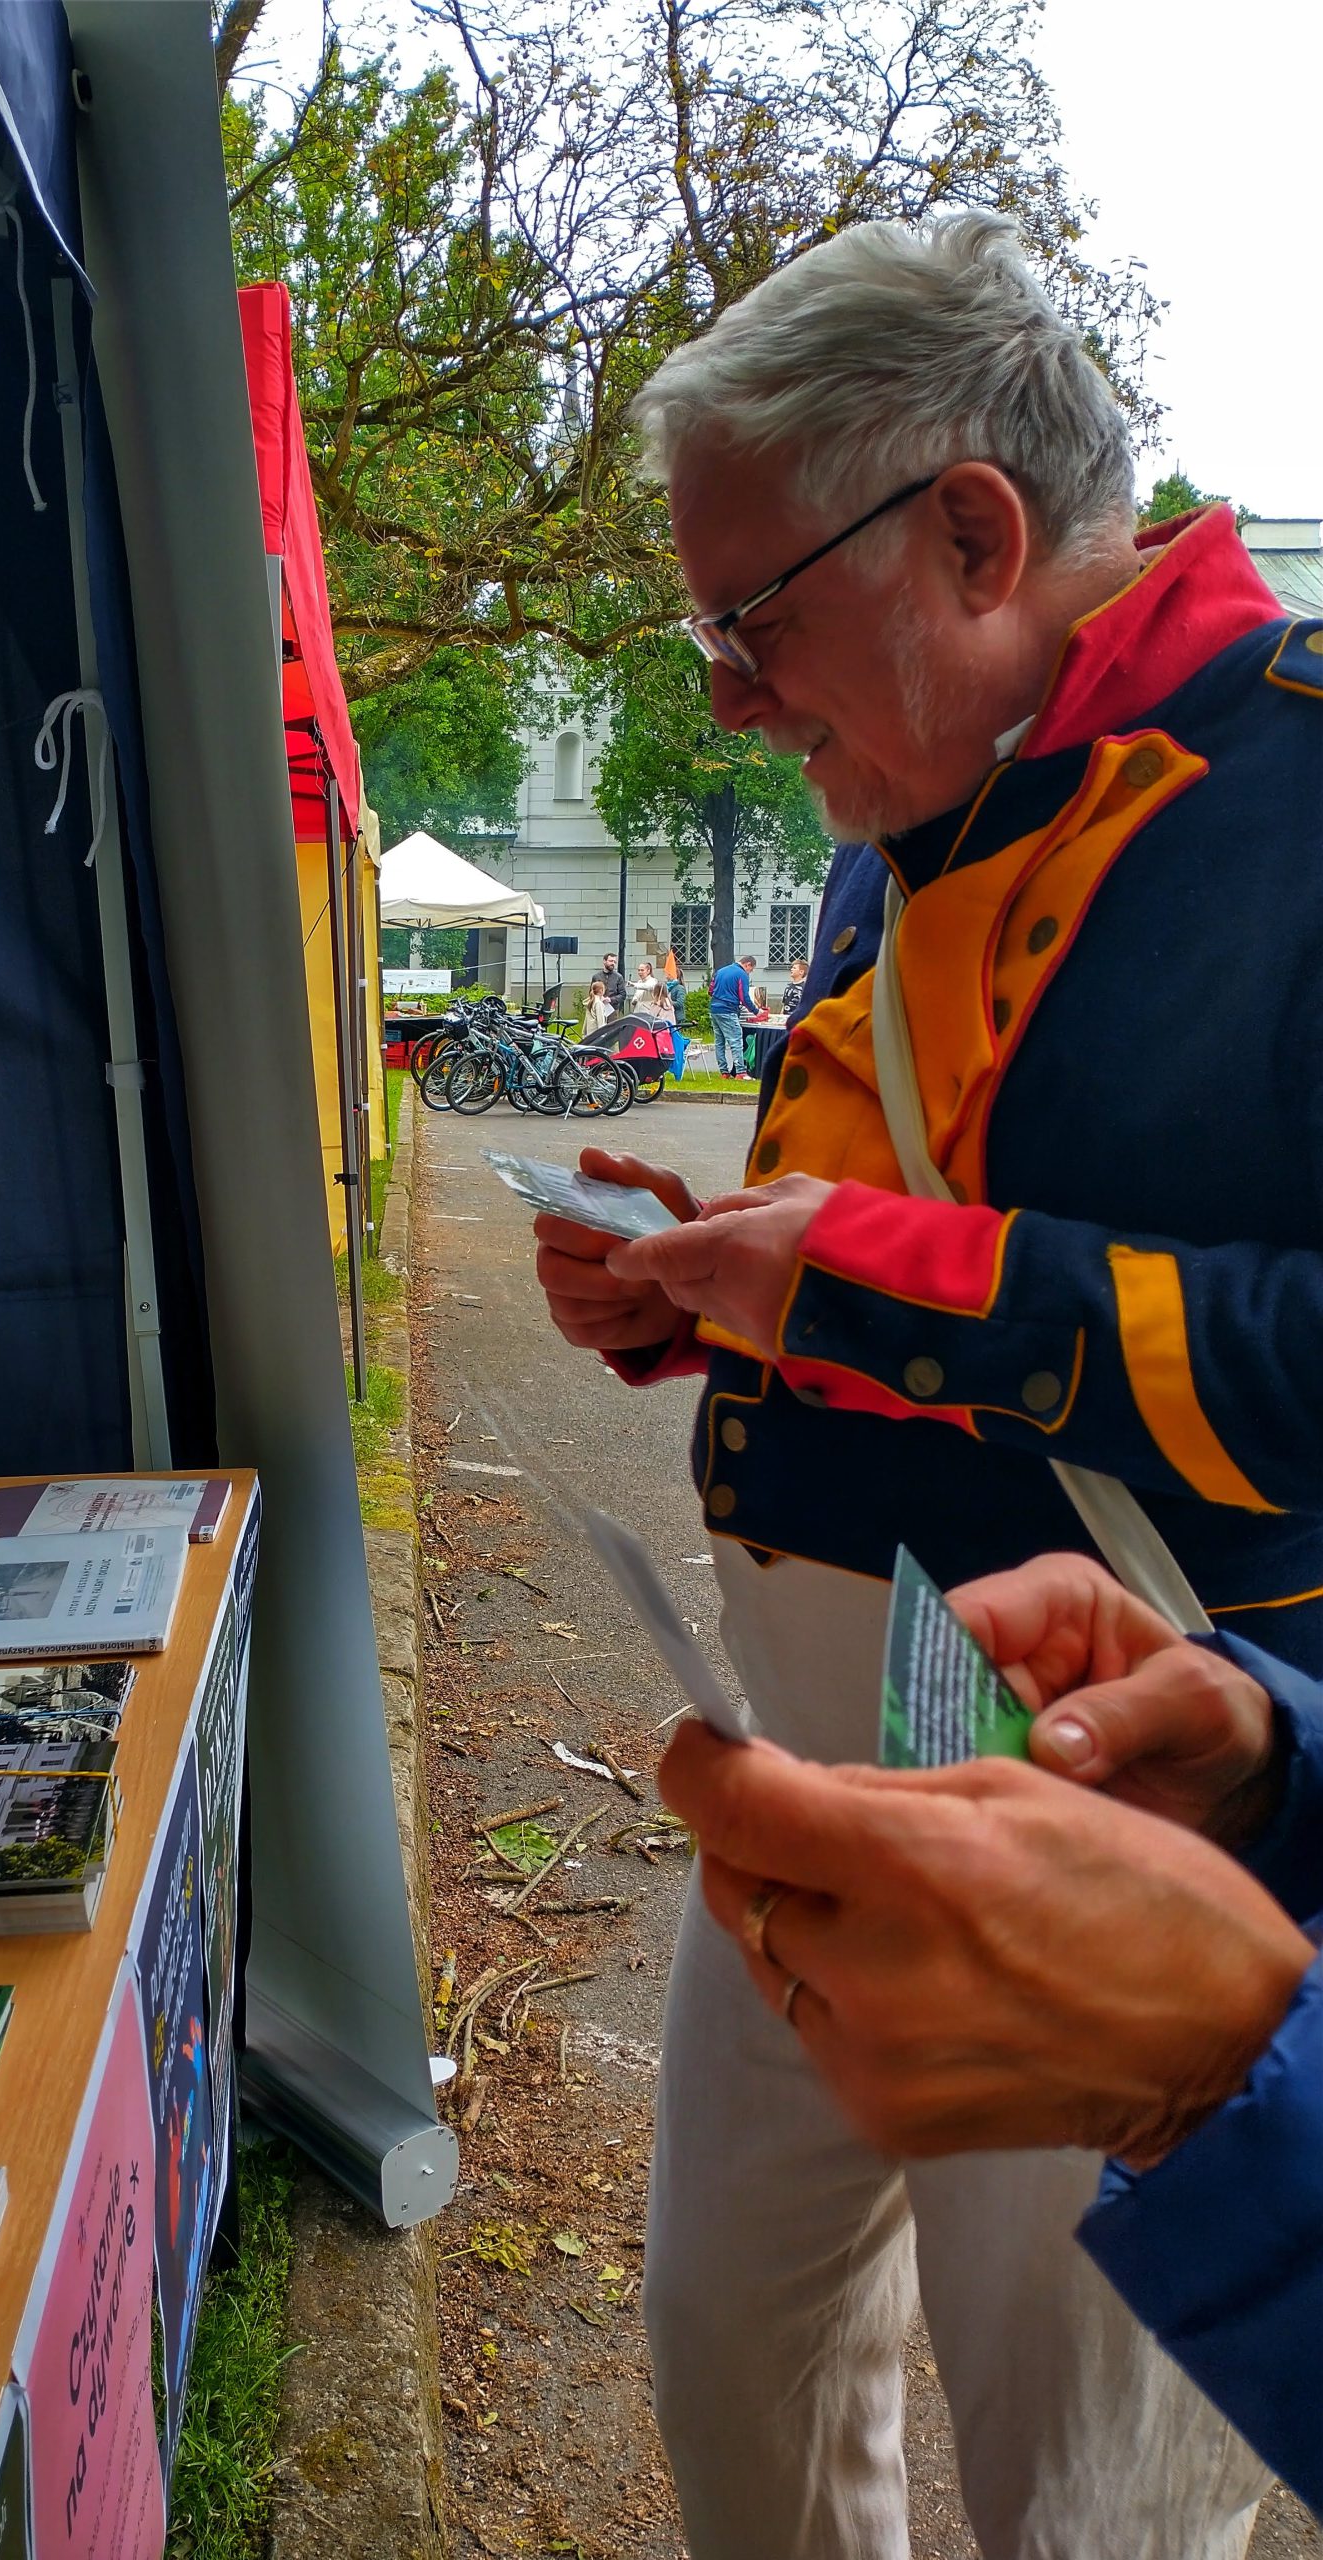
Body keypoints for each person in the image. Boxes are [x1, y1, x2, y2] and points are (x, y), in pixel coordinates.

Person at [531, 204, 1323, 2559]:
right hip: (796, 1717)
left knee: (1082, 2487)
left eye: (750, 619)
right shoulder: (905, 787)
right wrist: (699, 1287)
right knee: (730, 2340)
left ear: (970, 533)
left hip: (1098, 1757)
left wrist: (860, 1282)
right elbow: (924, 1208)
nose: (728, 701)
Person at [657, 1548, 1323, 2510]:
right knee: (729, 2342)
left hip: (1128, 1850)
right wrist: (1281, 1800)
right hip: (1015, 1731)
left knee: (1086, 2484)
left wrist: (1225, 2079)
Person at [707, 951, 755, 1077]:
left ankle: (724, 1072)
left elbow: (710, 991)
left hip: (714, 1009)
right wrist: (756, 1011)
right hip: (728, 1010)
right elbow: (744, 997)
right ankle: (740, 1072)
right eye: (751, 970)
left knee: (719, 1042)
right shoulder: (742, 974)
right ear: (748, 964)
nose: (749, 972)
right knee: (736, 1042)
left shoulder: (720, 971)